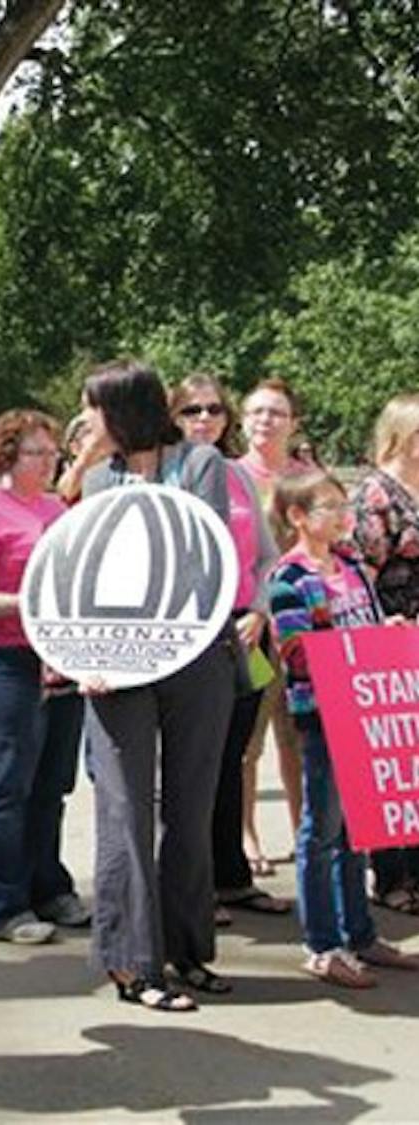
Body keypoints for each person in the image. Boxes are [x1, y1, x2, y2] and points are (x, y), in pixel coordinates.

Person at [78, 361, 237, 1011]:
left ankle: (187, 949)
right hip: (118, 665)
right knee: (124, 810)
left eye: (92, 408)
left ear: (121, 410)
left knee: (190, 809)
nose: (84, 420)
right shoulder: (97, 479)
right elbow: (83, 570)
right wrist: (82, 652)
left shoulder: (200, 465)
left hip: (195, 656)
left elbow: (195, 549)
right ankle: (133, 963)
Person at [265, 470, 419, 985]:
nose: (341, 516)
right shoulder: (289, 579)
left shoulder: (351, 565)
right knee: (322, 828)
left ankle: (360, 934)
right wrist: (354, 647)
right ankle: (322, 944)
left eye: (342, 506)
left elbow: (367, 623)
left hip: (361, 709)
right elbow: (295, 651)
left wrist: (384, 633)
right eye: (328, 507)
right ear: (297, 517)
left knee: (357, 827)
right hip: (323, 712)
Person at [0, 409, 88, 946]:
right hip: (1, 658)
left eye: (53, 453)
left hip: (59, 657)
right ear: (7, 456)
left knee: (52, 783)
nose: (48, 463)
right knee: (8, 783)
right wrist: (25, 603)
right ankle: (1, 905)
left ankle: (48, 886)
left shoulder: (57, 510)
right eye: (35, 453)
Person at [169, 375, 291, 923]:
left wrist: (260, 611)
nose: (204, 418)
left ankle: (231, 879)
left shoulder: (236, 475)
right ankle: (192, 888)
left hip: (243, 633)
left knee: (231, 755)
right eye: (192, 410)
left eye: (214, 409)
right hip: (190, 633)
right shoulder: (166, 472)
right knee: (191, 764)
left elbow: (266, 557)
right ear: (173, 416)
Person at [348, 394, 419, 916]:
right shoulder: (376, 494)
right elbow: (359, 573)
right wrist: (379, 625)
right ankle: (391, 874)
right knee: (391, 763)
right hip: (389, 637)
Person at [239, 377, 312, 874]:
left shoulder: (308, 478)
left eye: (277, 413)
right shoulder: (228, 475)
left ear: (293, 423)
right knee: (248, 738)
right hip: (252, 628)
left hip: (302, 626)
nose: (266, 421)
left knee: (300, 736)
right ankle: (246, 836)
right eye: (258, 411)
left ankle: (304, 829)